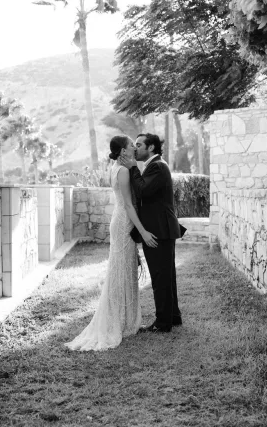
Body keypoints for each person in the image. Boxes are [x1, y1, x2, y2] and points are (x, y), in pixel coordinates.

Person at [65, 135, 158, 351]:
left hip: (120, 221)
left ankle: (125, 319)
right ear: (123, 151)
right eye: (130, 146)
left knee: (123, 269)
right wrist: (143, 231)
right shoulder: (124, 171)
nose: (134, 148)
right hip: (125, 222)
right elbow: (128, 204)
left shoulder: (115, 168)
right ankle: (119, 321)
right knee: (121, 271)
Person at [120, 133, 182, 333]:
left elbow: (142, 190)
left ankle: (163, 323)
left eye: (139, 145)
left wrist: (132, 169)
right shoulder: (155, 165)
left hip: (158, 231)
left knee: (160, 276)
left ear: (151, 147)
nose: (135, 149)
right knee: (166, 275)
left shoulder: (157, 166)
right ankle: (173, 317)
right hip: (161, 229)